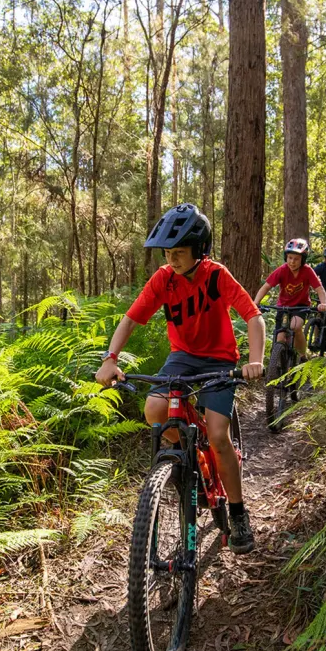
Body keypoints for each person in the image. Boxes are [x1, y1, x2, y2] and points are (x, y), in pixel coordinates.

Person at [95, 203, 266, 554]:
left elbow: (253, 316)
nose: (172, 260)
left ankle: (237, 513)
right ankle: (187, 463)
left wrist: (255, 360)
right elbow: (129, 320)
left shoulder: (217, 276)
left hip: (220, 360)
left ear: (199, 251)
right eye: (168, 253)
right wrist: (111, 359)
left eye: (179, 253)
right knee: (155, 409)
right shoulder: (163, 279)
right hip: (181, 358)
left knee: (219, 435)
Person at [252, 238, 326, 360]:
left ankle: (302, 355)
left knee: (295, 327)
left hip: (301, 307)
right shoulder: (282, 270)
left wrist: (323, 303)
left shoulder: (307, 271)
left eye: (296, 259)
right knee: (280, 338)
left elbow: (320, 289)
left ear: (302, 260)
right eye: (290, 258)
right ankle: (279, 365)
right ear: (286, 257)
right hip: (283, 307)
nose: (292, 262)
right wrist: (256, 303)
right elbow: (266, 287)